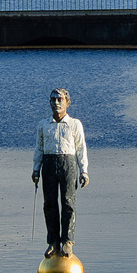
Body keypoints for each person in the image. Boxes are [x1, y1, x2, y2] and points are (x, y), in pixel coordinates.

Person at [32, 87, 88, 258]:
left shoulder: (74, 124)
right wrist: (36, 169)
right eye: (53, 100)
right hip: (48, 164)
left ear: (67, 103)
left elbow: (81, 148)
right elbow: (39, 148)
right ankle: (53, 242)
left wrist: (83, 171)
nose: (56, 103)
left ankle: (67, 241)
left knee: (68, 203)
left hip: (68, 164)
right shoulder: (43, 125)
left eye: (60, 100)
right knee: (49, 204)